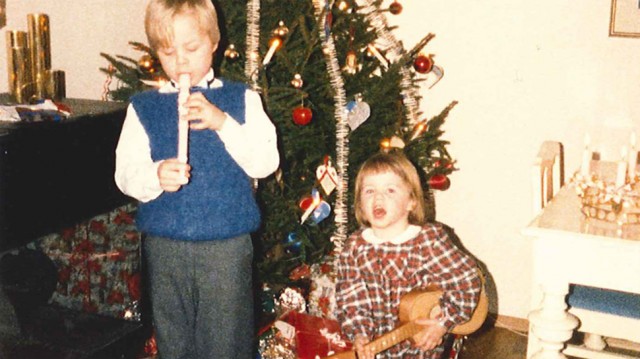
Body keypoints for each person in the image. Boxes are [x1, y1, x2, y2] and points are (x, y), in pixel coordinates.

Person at [114, 0, 279, 357]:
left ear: (214, 43)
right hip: (165, 246)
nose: (182, 61)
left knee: (226, 340)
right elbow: (125, 174)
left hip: (225, 247)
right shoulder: (144, 106)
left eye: (192, 48)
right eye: (169, 52)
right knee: (173, 340)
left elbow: (265, 162)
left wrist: (223, 123)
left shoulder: (241, 99)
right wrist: (155, 175)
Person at [335, 151, 481, 359]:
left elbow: (466, 281)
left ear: (411, 201)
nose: (378, 197)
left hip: (423, 346)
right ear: (360, 205)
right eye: (369, 191)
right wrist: (360, 333)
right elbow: (351, 300)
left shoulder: (428, 241)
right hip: (380, 347)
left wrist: (442, 323)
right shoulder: (354, 248)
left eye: (390, 190)